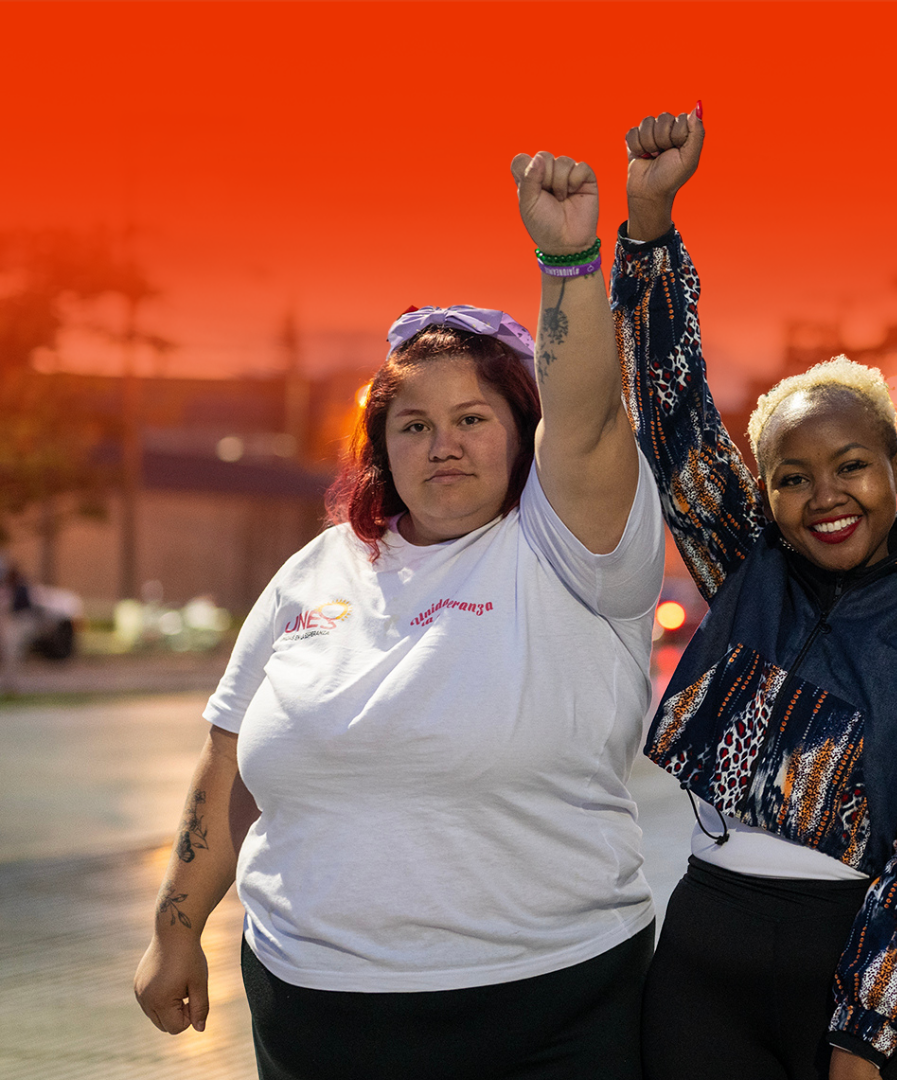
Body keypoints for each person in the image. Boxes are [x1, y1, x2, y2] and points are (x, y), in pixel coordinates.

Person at [131, 147, 665, 1079]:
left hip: (547, 1008)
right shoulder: (313, 571)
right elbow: (229, 763)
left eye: (473, 418)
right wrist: (176, 928)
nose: (443, 443)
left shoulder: (571, 546)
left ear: (522, 431)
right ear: (383, 446)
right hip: (313, 1012)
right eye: (413, 424)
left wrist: (570, 263)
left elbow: (587, 417)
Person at [613, 106, 897, 1080]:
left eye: (851, 465)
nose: (825, 494)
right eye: (792, 476)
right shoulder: (745, 568)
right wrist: (650, 228)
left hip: (861, 971)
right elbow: (671, 416)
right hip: (706, 956)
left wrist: (866, 1029)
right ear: (767, 494)